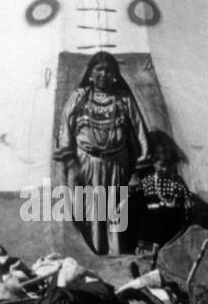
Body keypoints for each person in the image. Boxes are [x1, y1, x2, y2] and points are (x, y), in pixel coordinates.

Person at [54, 51, 150, 255]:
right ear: (90, 73)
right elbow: (66, 129)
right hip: (86, 161)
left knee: (115, 209)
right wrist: (71, 164)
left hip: (117, 162)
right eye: (99, 69)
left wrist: (142, 158)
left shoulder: (123, 99)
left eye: (108, 70)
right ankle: (95, 253)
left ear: (115, 74)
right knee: (92, 211)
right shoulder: (79, 98)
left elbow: (139, 128)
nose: (103, 74)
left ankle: (115, 254)